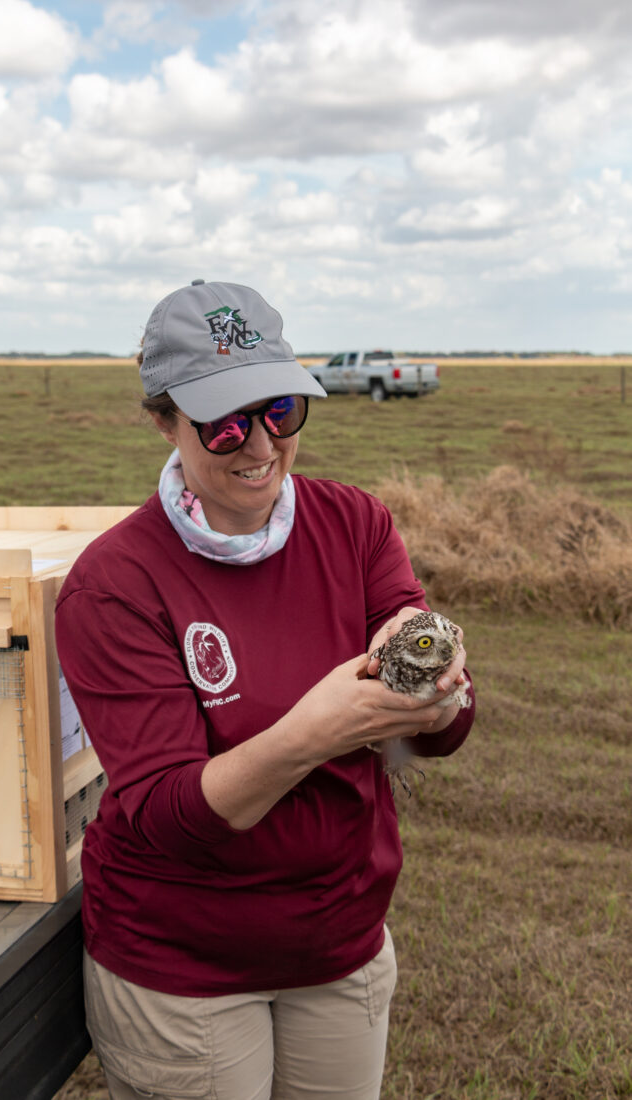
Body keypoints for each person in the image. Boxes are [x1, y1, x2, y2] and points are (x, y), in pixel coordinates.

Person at [55, 279, 475, 1100]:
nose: (259, 445)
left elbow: (440, 733)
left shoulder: (355, 525)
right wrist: (314, 732)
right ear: (163, 420)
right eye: (224, 422)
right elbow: (172, 819)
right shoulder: (114, 585)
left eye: (279, 409)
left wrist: (438, 685)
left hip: (339, 943)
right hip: (183, 969)